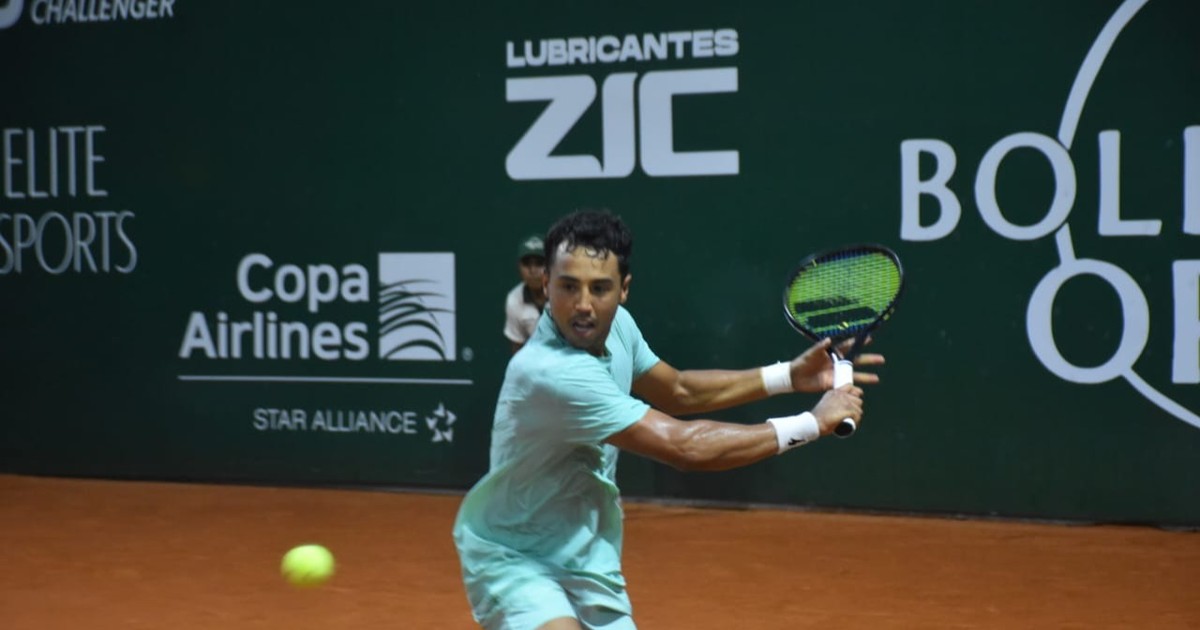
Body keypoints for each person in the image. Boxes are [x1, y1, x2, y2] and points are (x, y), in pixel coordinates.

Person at [454, 209, 884, 630]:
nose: (583, 305)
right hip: (512, 551)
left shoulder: (618, 326)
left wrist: (788, 376)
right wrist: (812, 423)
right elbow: (684, 447)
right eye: (568, 286)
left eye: (599, 288)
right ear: (546, 284)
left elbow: (678, 390)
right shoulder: (551, 371)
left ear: (623, 289)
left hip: (585, 551)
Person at [505, 233, 548, 353]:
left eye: (539, 263)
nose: (533, 270)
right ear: (519, 266)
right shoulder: (514, 299)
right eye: (527, 264)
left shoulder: (563, 294)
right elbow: (517, 349)